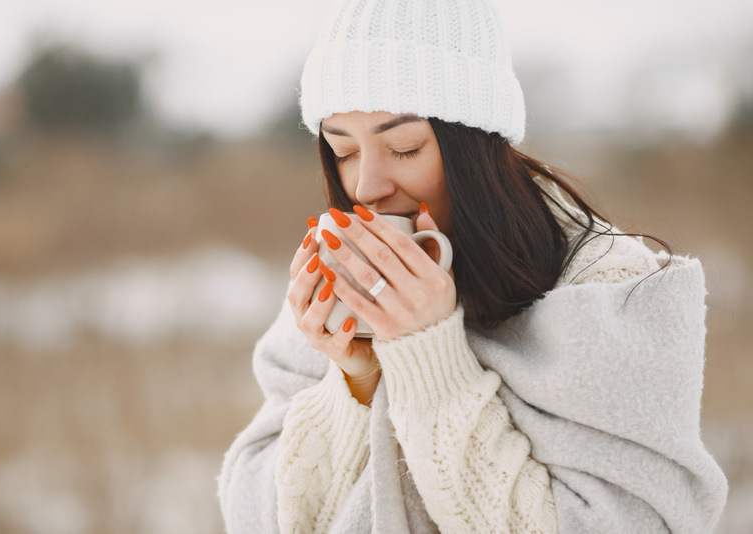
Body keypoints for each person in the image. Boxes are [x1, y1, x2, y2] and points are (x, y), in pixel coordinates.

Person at [218, 0, 728, 532]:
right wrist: (356, 380)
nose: (366, 187)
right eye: (343, 151)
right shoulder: (338, 295)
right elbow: (253, 513)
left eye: (404, 147)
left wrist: (431, 362)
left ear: (475, 143)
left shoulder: (608, 290)